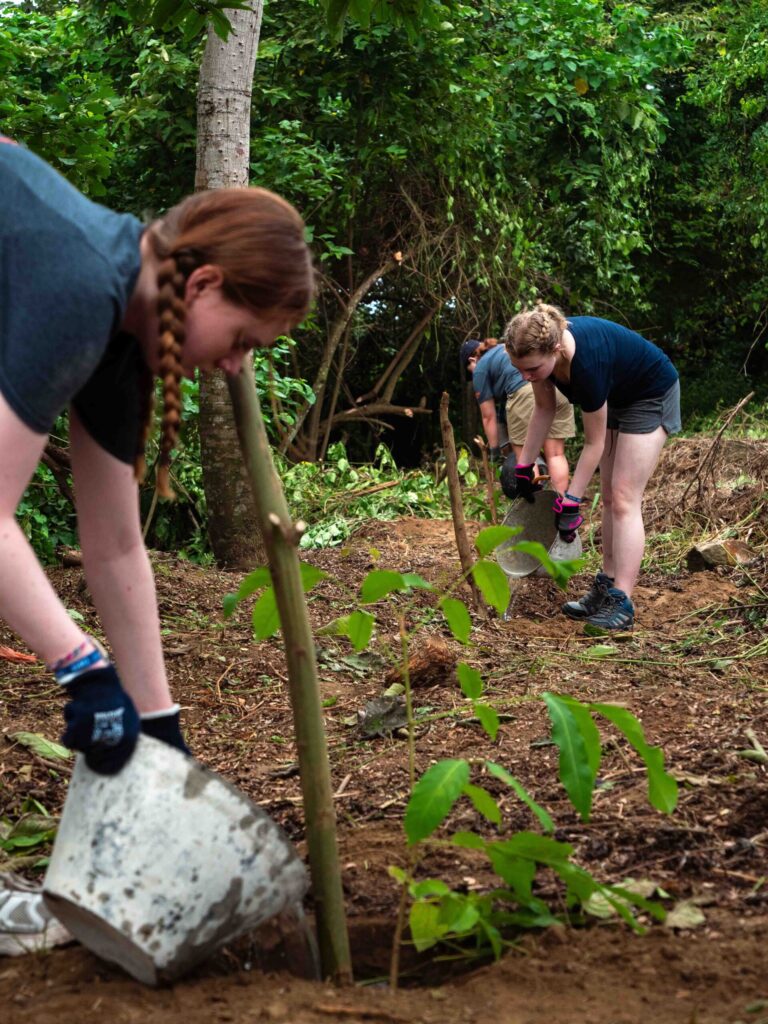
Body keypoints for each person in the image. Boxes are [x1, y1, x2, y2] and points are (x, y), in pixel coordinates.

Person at [0, 136, 314, 776]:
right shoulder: (83, 286)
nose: (234, 365)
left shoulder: (122, 338)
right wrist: (82, 669)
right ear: (203, 283)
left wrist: (156, 726)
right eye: (242, 339)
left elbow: (115, 545)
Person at [503, 304, 680, 632]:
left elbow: (593, 444)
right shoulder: (545, 361)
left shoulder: (587, 364)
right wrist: (524, 465)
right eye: (519, 369)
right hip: (617, 395)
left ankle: (622, 602)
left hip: (650, 393)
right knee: (611, 499)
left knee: (625, 497)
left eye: (531, 369)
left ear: (555, 350)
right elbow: (543, 410)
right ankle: (607, 584)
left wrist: (572, 499)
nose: (525, 376)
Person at [460, 336, 575, 495]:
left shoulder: (480, 367)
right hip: (558, 387)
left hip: (527, 393)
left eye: (469, 370)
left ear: (472, 359)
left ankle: (534, 509)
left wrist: (494, 450)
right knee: (556, 454)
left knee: (527, 457)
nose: (473, 375)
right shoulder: (506, 348)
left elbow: (488, 416)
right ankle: (560, 508)